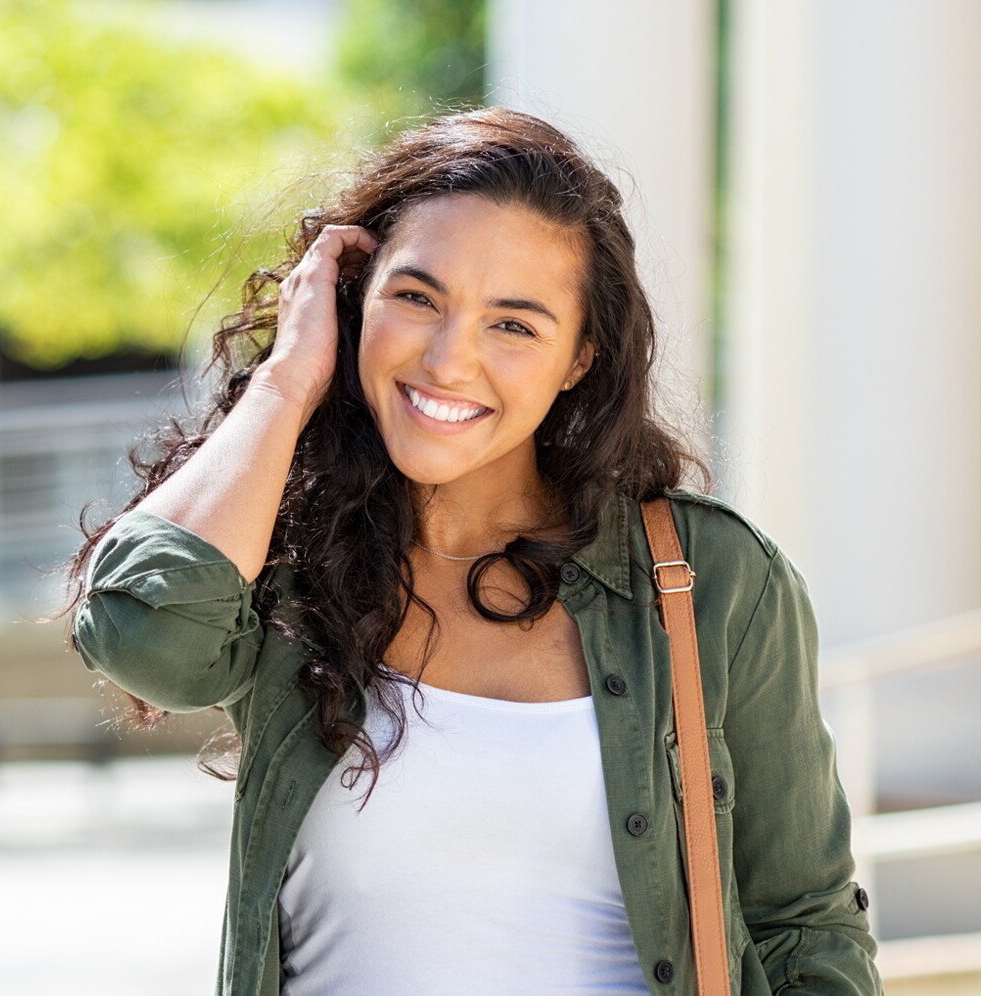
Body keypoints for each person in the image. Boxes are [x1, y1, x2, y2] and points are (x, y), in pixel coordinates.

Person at [65, 107, 881, 995]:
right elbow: (143, 641)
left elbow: (804, 926)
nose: (449, 362)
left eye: (514, 325)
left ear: (579, 359)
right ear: (352, 300)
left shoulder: (707, 577)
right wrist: (287, 379)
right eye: (416, 298)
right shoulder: (283, 556)